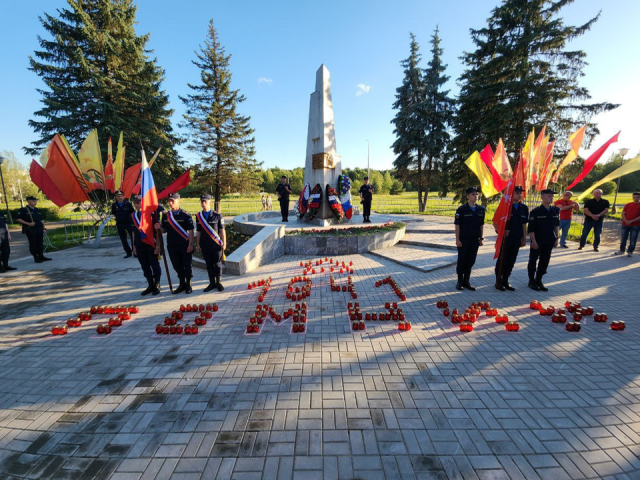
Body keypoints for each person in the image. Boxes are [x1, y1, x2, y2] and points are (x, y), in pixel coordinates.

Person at [156, 193, 195, 294]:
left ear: (178, 201)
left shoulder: (185, 215)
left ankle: (188, 283)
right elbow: (164, 231)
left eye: (172, 200)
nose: (170, 203)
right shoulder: (165, 216)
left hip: (184, 244)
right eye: (169, 200)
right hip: (172, 245)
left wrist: (191, 244)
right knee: (176, 265)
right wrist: (159, 227)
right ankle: (181, 283)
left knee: (187, 264)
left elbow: (190, 230)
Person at [494, 186, 528, 291]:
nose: (519, 194)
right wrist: (501, 231)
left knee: (511, 260)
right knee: (502, 260)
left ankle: (506, 279)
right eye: (516, 193)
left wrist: (524, 238)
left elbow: (524, 225)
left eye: (520, 193)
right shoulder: (505, 207)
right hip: (506, 238)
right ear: (511, 194)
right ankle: (498, 281)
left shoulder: (524, 208)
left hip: (517, 238)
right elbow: (495, 222)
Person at [527, 189, 560, 291]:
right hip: (538, 240)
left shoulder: (555, 210)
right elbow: (531, 229)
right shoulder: (535, 212)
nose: (551, 198)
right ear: (542, 197)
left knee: (545, 261)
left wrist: (556, 238)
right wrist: (533, 241)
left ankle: (539, 279)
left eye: (552, 196)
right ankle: (531, 281)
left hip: (549, 240)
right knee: (533, 260)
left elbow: (556, 225)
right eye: (549, 196)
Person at [454, 187, 485, 291]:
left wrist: (481, 238)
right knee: (462, 260)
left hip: (474, 240)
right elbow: (457, 225)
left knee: (471, 260)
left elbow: (481, 225)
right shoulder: (461, 209)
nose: (475, 196)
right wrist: (457, 240)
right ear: (467, 196)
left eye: (476, 194)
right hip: (464, 240)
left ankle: (467, 281)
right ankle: (460, 281)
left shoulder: (481, 209)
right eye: (473, 194)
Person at [131, 196, 163, 296]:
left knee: (154, 265)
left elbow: (157, 231)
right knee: (144, 266)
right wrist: (134, 246)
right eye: (135, 202)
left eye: (139, 202)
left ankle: (157, 284)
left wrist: (158, 245)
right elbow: (133, 232)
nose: (137, 204)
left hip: (151, 244)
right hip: (139, 245)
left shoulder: (151, 215)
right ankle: (150, 284)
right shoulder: (133, 216)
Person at [195, 194, 227, 292]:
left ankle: (218, 282)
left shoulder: (217, 215)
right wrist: (197, 244)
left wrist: (224, 243)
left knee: (217, 263)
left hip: (216, 244)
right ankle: (211, 282)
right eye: (202, 202)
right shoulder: (198, 216)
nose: (203, 204)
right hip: (205, 244)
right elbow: (199, 231)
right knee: (209, 264)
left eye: (205, 201)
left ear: (210, 203)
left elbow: (222, 230)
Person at [17, 196, 51, 263]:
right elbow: (18, 219)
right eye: (33, 201)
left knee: (40, 243)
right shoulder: (24, 210)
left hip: (39, 228)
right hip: (30, 229)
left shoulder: (37, 210)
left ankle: (41, 255)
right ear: (28, 201)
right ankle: (36, 257)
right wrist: (28, 223)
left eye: (36, 201)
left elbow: (41, 219)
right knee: (33, 243)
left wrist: (43, 228)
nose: (35, 202)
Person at [615, 191, 640, 257]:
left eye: (637, 197)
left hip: (636, 225)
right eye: (634, 197)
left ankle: (630, 251)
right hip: (625, 224)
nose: (636, 198)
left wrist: (631, 221)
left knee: (633, 239)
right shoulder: (628, 204)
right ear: (632, 197)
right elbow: (623, 213)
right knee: (623, 238)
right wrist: (626, 220)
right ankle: (621, 250)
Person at [111, 190, 135, 258]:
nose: (120, 197)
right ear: (116, 197)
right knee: (123, 239)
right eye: (118, 196)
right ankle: (128, 252)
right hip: (120, 224)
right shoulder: (114, 205)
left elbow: (132, 213)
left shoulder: (128, 204)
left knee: (133, 237)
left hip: (129, 223)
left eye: (121, 196)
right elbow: (114, 213)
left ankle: (135, 252)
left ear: (123, 197)